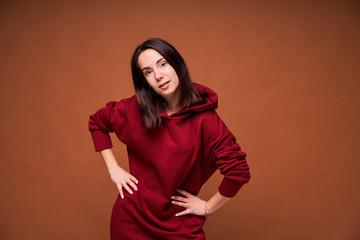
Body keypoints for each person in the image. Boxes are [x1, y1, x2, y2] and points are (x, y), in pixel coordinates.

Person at [88, 38, 250, 240]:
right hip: (131, 222)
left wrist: (208, 207)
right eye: (147, 72)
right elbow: (97, 122)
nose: (158, 76)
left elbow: (238, 171)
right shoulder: (134, 109)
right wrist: (113, 169)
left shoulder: (206, 121)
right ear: (144, 80)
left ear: (177, 64)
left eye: (162, 64)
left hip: (180, 226)